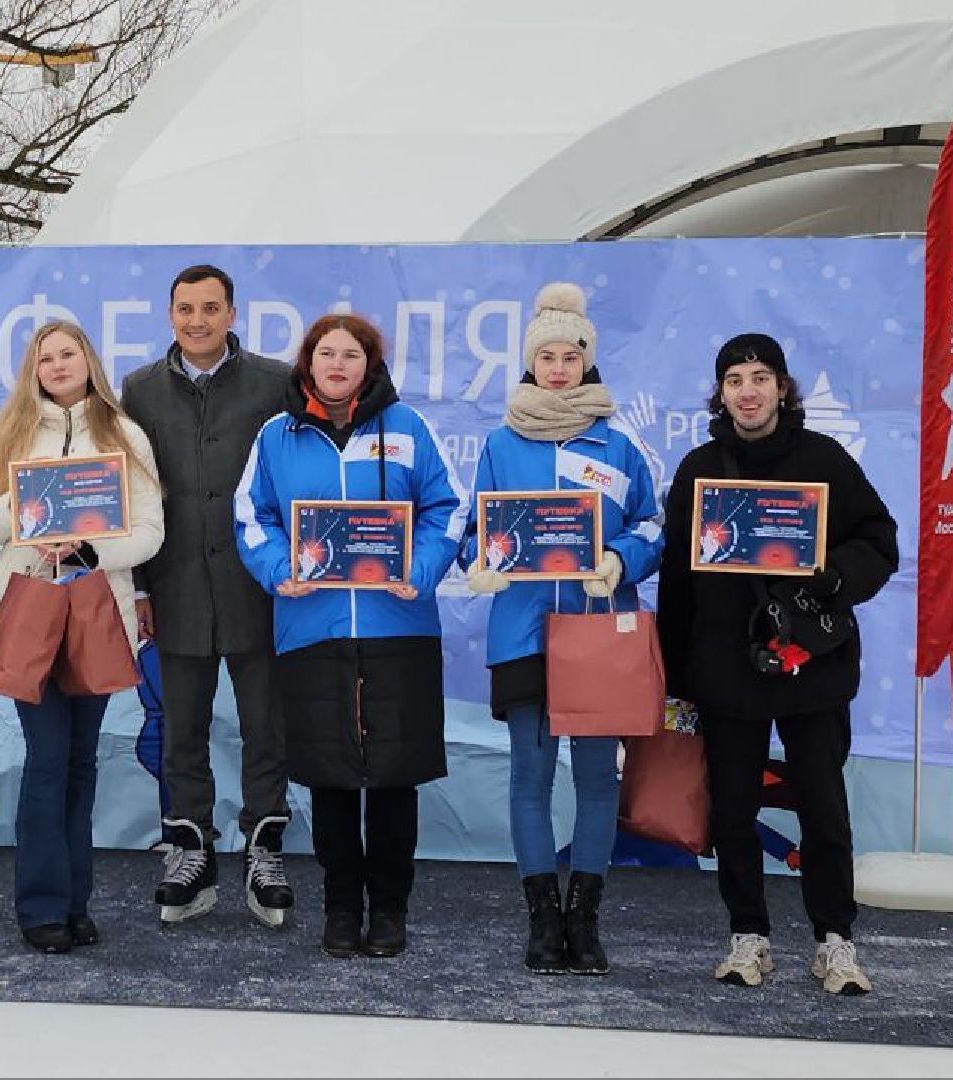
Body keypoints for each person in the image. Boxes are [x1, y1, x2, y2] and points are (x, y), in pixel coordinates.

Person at [656, 333, 897, 996]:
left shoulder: (824, 460)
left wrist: (827, 575)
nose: (749, 390)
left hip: (809, 668)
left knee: (823, 809)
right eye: (735, 378)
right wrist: (675, 682)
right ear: (721, 392)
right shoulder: (699, 467)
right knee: (732, 810)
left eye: (760, 376)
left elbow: (879, 543)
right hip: (724, 670)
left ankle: (834, 940)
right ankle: (748, 935)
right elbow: (676, 579)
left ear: (782, 388)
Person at [235, 312, 468, 960]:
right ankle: (341, 910)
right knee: (331, 781)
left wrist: (418, 572)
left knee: (394, 781)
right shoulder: (276, 437)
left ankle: (388, 911)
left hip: (398, 628)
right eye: (326, 354)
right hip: (312, 629)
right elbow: (249, 517)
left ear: (370, 366)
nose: (338, 365)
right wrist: (280, 570)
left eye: (352, 355)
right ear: (307, 363)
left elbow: (448, 508)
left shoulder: (408, 428)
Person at [460, 283, 663, 975]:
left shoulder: (616, 443)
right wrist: (482, 563)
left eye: (568, 356)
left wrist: (619, 557)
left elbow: (651, 524)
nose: (556, 368)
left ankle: (585, 917)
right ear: (528, 363)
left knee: (597, 781)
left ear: (586, 364)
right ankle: (541, 918)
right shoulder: (499, 442)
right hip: (523, 631)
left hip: (598, 632)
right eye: (544, 356)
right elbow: (471, 531)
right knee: (530, 777)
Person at [0, 320, 164, 954]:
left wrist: (87, 542)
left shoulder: (124, 435)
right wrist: (27, 509)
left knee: (82, 765)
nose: (56, 365)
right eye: (44, 357)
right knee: (47, 761)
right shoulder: (12, 434)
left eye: (67, 353)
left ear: (88, 360)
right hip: (29, 611)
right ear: (32, 369)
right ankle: (42, 905)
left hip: (96, 614)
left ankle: (77, 903)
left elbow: (150, 533)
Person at [119, 264, 296, 927]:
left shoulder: (275, 384)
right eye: (185, 308)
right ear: (169, 315)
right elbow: (127, 493)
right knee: (180, 728)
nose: (197, 320)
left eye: (210, 308)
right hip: (174, 588)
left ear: (231, 313)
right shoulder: (138, 391)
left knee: (264, 728)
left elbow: (294, 477)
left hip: (258, 588)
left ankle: (264, 845)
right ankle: (188, 846)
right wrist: (137, 586)